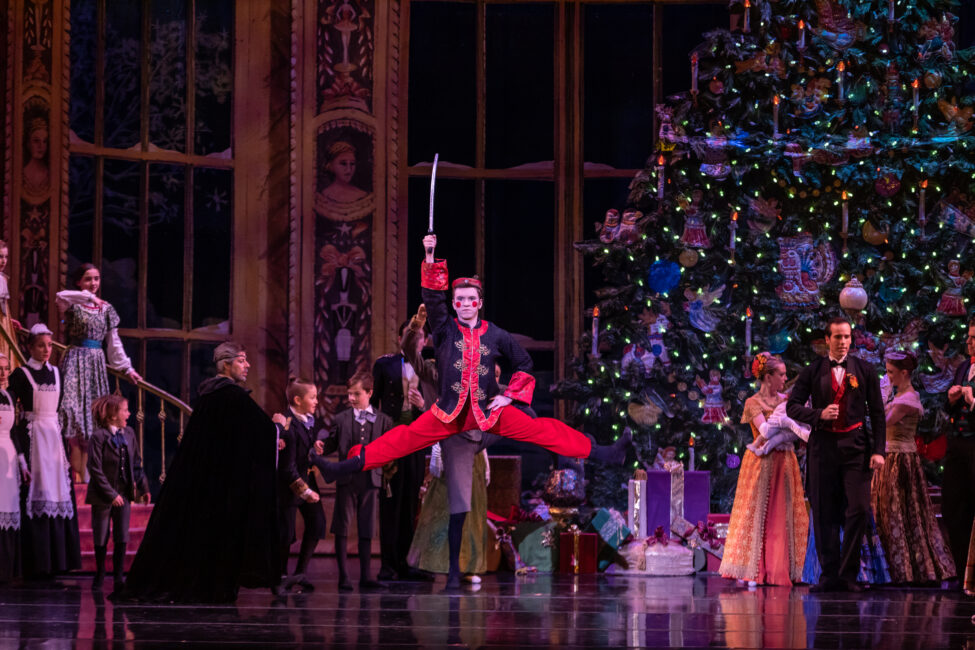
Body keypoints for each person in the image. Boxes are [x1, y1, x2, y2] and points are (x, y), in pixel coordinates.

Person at [315, 234, 630, 483]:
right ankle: (345, 467)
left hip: (488, 412)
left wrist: (508, 397)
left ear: (479, 303)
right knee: (404, 438)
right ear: (454, 303)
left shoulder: (496, 334)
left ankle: (604, 453)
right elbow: (432, 299)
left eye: (471, 299)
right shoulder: (444, 329)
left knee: (544, 430)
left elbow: (524, 364)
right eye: (460, 300)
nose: (465, 304)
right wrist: (429, 257)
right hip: (449, 412)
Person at [117, 342, 280, 603]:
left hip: (208, 481)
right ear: (226, 364)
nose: (247, 365)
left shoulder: (208, 396)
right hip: (223, 484)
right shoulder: (232, 397)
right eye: (242, 360)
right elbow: (262, 431)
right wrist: (279, 427)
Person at [401, 304, 502, 590]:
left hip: (473, 450)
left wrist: (484, 452)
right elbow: (411, 353)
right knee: (444, 509)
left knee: (472, 512)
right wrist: (417, 326)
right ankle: (445, 566)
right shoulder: (435, 374)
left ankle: (468, 567)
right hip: (448, 449)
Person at [787, 317, 886, 592]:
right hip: (823, 448)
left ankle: (848, 574)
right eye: (837, 337)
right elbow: (792, 407)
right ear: (827, 340)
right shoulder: (813, 370)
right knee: (823, 511)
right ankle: (829, 574)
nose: (843, 342)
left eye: (846, 337)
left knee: (858, 509)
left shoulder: (865, 370)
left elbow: (877, 414)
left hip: (856, 448)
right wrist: (818, 414)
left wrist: (879, 451)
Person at [720, 353, 809, 587]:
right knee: (759, 512)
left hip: (785, 461)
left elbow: (798, 428)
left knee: (783, 512)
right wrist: (789, 425)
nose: (785, 378)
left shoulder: (787, 399)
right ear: (768, 377)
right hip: (762, 463)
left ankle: (783, 567)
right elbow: (765, 431)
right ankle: (755, 568)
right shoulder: (753, 402)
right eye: (781, 374)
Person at [870, 349, 954, 585]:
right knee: (887, 511)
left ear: (904, 373)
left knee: (900, 513)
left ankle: (905, 569)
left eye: (891, 373)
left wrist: (878, 399)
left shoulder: (907, 399)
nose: (888, 377)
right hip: (890, 457)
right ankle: (886, 568)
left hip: (900, 460)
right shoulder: (898, 397)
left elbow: (881, 423)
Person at [57, 264, 141, 483]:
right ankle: (74, 475)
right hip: (75, 361)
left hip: (95, 364)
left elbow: (113, 343)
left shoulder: (107, 309)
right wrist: (88, 298)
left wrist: (127, 367)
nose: (93, 284)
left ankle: (89, 476)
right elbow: (60, 295)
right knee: (73, 415)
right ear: (79, 282)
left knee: (93, 418)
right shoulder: (73, 304)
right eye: (87, 279)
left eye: (96, 279)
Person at [9, 323, 81, 578]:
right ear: (30, 346)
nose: (46, 350)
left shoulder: (58, 373)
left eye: (50, 345)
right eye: (41, 345)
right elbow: (7, 406)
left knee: (59, 493)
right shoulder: (21, 375)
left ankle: (58, 561)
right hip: (32, 438)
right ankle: (35, 562)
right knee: (35, 494)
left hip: (54, 440)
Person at [314, 371, 392, 592]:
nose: (351, 398)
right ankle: (343, 577)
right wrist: (321, 445)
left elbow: (389, 449)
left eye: (356, 394)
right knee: (342, 527)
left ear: (369, 393)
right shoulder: (341, 419)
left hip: (370, 480)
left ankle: (366, 577)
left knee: (367, 528)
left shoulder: (384, 420)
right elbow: (331, 444)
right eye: (349, 394)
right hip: (347, 480)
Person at [371, 318, 434, 583]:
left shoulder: (430, 369)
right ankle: (388, 564)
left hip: (416, 442)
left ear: (425, 342)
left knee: (410, 504)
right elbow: (374, 403)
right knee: (390, 503)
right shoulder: (384, 364)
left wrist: (423, 405)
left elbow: (440, 406)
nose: (415, 340)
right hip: (392, 441)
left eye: (419, 336)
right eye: (410, 335)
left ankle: (407, 563)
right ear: (401, 339)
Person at [86, 394, 150, 591]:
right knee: (101, 534)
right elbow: (94, 469)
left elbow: (136, 462)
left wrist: (143, 487)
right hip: (103, 495)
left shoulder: (129, 433)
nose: (129, 414)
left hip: (123, 491)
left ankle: (119, 576)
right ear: (113, 415)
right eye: (125, 410)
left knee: (122, 534)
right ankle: (100, 573)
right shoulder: (98, 437)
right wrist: (111, 495)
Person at [272, 377, 325, 593]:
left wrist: (314, 447)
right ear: (297, 400)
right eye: (312, 397)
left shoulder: (307, 419)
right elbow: (287, 467)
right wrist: (305, 491)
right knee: (286, 533)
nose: (316, 401)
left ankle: (300, 573)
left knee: (317, 523)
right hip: (290, 485)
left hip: (307, 477)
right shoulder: (286, 423)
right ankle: (280, 578)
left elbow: (303, 448)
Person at [944, 315, 975, 585]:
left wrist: (972, 401)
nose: (970, 343)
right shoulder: (964, 366)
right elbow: (949, 407)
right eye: (969, 337)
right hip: (957, 445)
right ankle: (960, 571)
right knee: (955, 507)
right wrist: (952, 399)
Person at [0, 354, 21, 583]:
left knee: (8, 508)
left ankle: (7, 569)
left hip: (9, 453)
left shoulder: (10, 395)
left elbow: (14, 431)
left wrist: (22, 461)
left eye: (6, 369)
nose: (3, 373)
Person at [0, 242, 21, 367]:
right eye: (0, 256)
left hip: (3, 324)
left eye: (6, 257)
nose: (4, 261)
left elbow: (3, 306)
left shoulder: (2, 279)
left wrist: (8, 319)